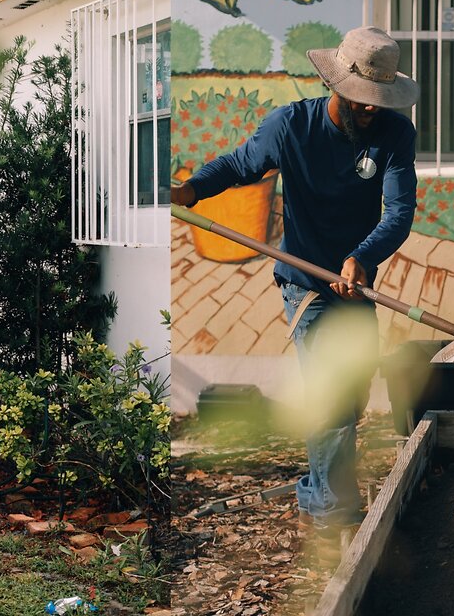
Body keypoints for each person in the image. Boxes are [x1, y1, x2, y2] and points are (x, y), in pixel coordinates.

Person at [172, 26, 419, 533]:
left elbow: (398, 212)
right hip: (306, 281)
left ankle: (313, 494)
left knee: (350, 395)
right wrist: (191, 190)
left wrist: (362, 257)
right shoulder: (290, 126)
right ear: (338, 86)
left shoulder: (395, 134)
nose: (372, 109)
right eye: (363, 101)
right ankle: (332, 515)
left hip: (355, 279)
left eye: (380, 101)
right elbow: (241, 164)